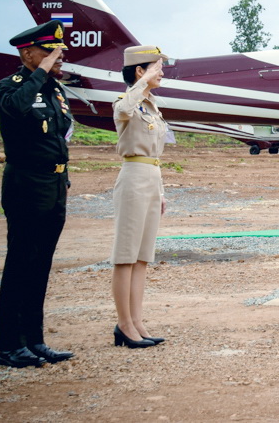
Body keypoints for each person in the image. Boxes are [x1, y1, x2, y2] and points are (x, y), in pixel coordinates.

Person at [0, 20, 76, 367]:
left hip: (54, 185)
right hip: (26, 185)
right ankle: (10, 346)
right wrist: (41, 72)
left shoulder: (55, 90)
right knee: (20, 263)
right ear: (28, 54)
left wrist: (64, 179)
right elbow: (17, 109)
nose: (59, 57)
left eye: (60, 52)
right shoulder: (10, 87)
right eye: (50, 52)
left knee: (41, 264)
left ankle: (35, 340)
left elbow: (59, 136)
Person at [111, 46, 171, 349]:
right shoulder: (127, 101)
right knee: (126, 256)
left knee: (142, 257)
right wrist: (144, 82)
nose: (162, 73)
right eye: (157, 68)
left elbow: (155, 154)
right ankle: (124, 324)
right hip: (133, 178)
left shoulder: (151, 106)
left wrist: (160, 192)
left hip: (150, 177)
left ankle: (136, 321)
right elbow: (123, 111)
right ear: (139, 70)